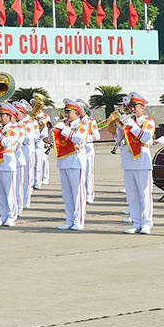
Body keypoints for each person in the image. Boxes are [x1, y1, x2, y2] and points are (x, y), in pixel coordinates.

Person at [118, 92, 155, 235]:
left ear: (142, 107)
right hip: (128, 161)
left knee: (144, 194)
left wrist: (131, 125)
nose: (132, 109)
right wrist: (120, 128)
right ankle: (136, 221)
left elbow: (145, 138)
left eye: (135, 106)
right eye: (131, 106)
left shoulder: (148, 122)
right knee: (132, 195)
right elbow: (118, 140)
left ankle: (147, 222)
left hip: (142, 161)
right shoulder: (128, 121)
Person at [54, 99, 92, 231]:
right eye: (66, 111)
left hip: (76, 162)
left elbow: (78, 139)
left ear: (77, 113)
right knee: (67, 194)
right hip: (64, 161)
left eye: (69, 111)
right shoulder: (65, 125)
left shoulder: (82, 125)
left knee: (78, 193)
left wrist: (63, 129)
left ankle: (78, 221)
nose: (66, 114)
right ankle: (69, 220)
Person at [0, 103, 23, 226]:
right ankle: (3, 215)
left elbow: (7, 142)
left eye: (2, 115)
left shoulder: (14, 129)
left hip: (7, 161)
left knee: (9, 191)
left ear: (9, 116)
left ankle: (11, 216)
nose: (0, 117)